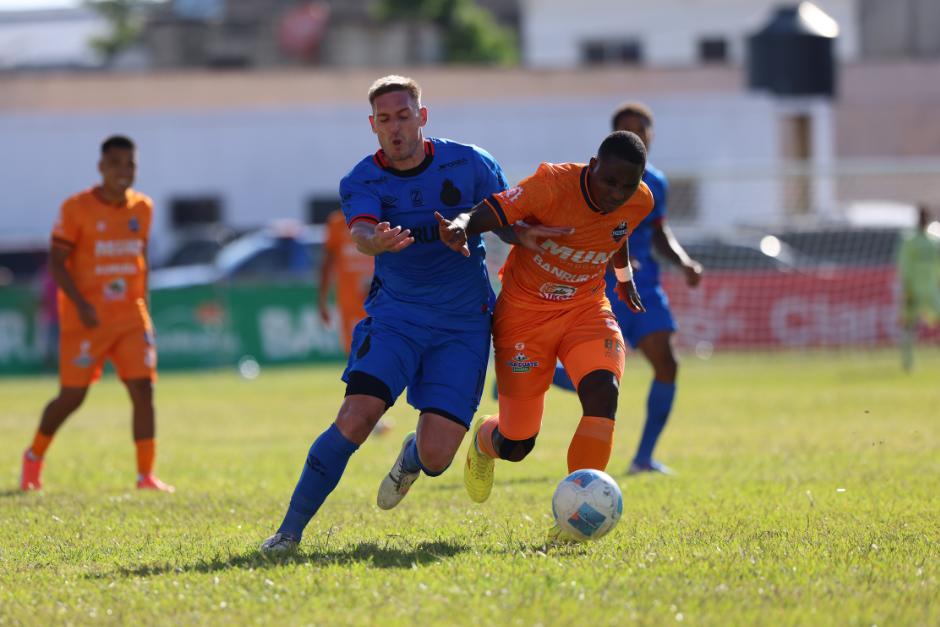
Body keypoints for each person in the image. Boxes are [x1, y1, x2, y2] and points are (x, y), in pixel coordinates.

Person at [260, 75, 518, 554]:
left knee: (439, 457)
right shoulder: (362, 179)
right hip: (397, 318)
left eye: (404, 116)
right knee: (357, 417)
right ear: (372, 126)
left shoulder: (471, 163)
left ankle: (412, 457)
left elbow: (513, 222)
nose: (396, 128)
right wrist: (373, 241)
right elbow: (359, 230)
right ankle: (288, 533)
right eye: (385, 120)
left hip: (463, 323)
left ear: (423, 116)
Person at [436, 130, 654, 508]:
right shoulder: (551, 185)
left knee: (604, 394)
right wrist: (462, 225)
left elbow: (618, 230)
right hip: (524, 317)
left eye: (628, 185)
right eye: (610, 181)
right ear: (593, 165)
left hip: (585, 309)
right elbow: (492, 209)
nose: (617, 193)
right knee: (518, 443)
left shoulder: (640, 201)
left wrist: (624, 277)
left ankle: (577, 511)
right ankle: (486, 439)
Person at [552, 103, 703, 475]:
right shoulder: (596, 180)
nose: (637, 134)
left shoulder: (658, 183)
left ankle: (643, 458)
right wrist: (612, 261)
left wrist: (683, 261)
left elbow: (659, 232)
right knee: (596, 381)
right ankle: (529, 375)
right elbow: (586, 230)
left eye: (642, 129)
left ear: (651, 135)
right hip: (602, 289)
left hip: (645, 288)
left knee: (666, 363)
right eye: (627, 129)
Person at [19, 135, 173, 493]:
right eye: (116, 163)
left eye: (130, 164)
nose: (124, 171)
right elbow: (56, 264)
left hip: (131, 317)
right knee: (72, 397)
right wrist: (81, 304)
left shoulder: (143, 208)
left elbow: (141, 261)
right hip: (85, 318)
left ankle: (145, 476)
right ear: (101, 167)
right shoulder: (76, 208)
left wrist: (144, 308)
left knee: (143, 389)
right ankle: (33, 456)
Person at [319, 209, 374, 354]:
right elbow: (327, 263)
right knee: (354, 353)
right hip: (350, 301)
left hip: (379, 300)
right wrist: (322, 300)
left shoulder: (381, 217)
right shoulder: (337, 223)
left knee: (382, 351)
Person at [898, 204, 940, 371]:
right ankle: (908, 363)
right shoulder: (909, 241)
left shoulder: (934, 240)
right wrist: (906, 288)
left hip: (931, 289)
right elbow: (904, 265)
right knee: (908, 324)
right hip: (913, 290)